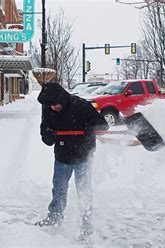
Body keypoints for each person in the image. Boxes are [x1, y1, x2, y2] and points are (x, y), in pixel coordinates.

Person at [35, 83, 109, 237]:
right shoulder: (48, 108)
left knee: (84, 191)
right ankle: (54, 218)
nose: (52, 108)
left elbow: (103, 124)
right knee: (59, 190)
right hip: (62, 156)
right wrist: (48, 134)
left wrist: (89, 127)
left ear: (60, 98)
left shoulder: (81, 105)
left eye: (55, 105)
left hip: (83, 156)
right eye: (50, 106)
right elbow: (45, 131)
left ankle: (86, 224)